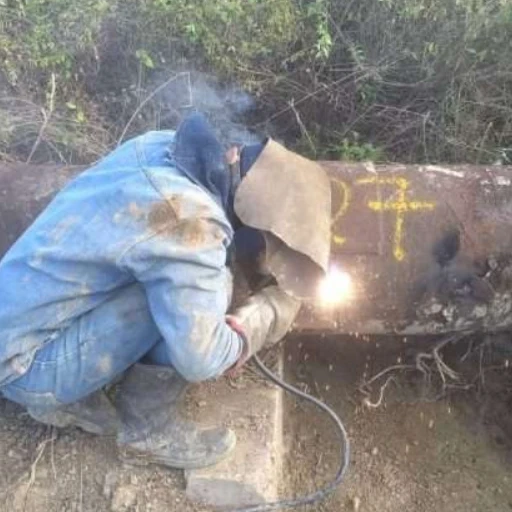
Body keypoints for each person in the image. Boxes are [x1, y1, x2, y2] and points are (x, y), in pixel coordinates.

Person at [0, 112, 331, 469]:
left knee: (172, 282)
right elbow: (202, 359)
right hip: (24, 365)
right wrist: (260, 319)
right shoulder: (190, 224)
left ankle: (66, 395)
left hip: (18, 325)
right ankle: (145, 432)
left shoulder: (161, 146)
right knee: (211, 289)